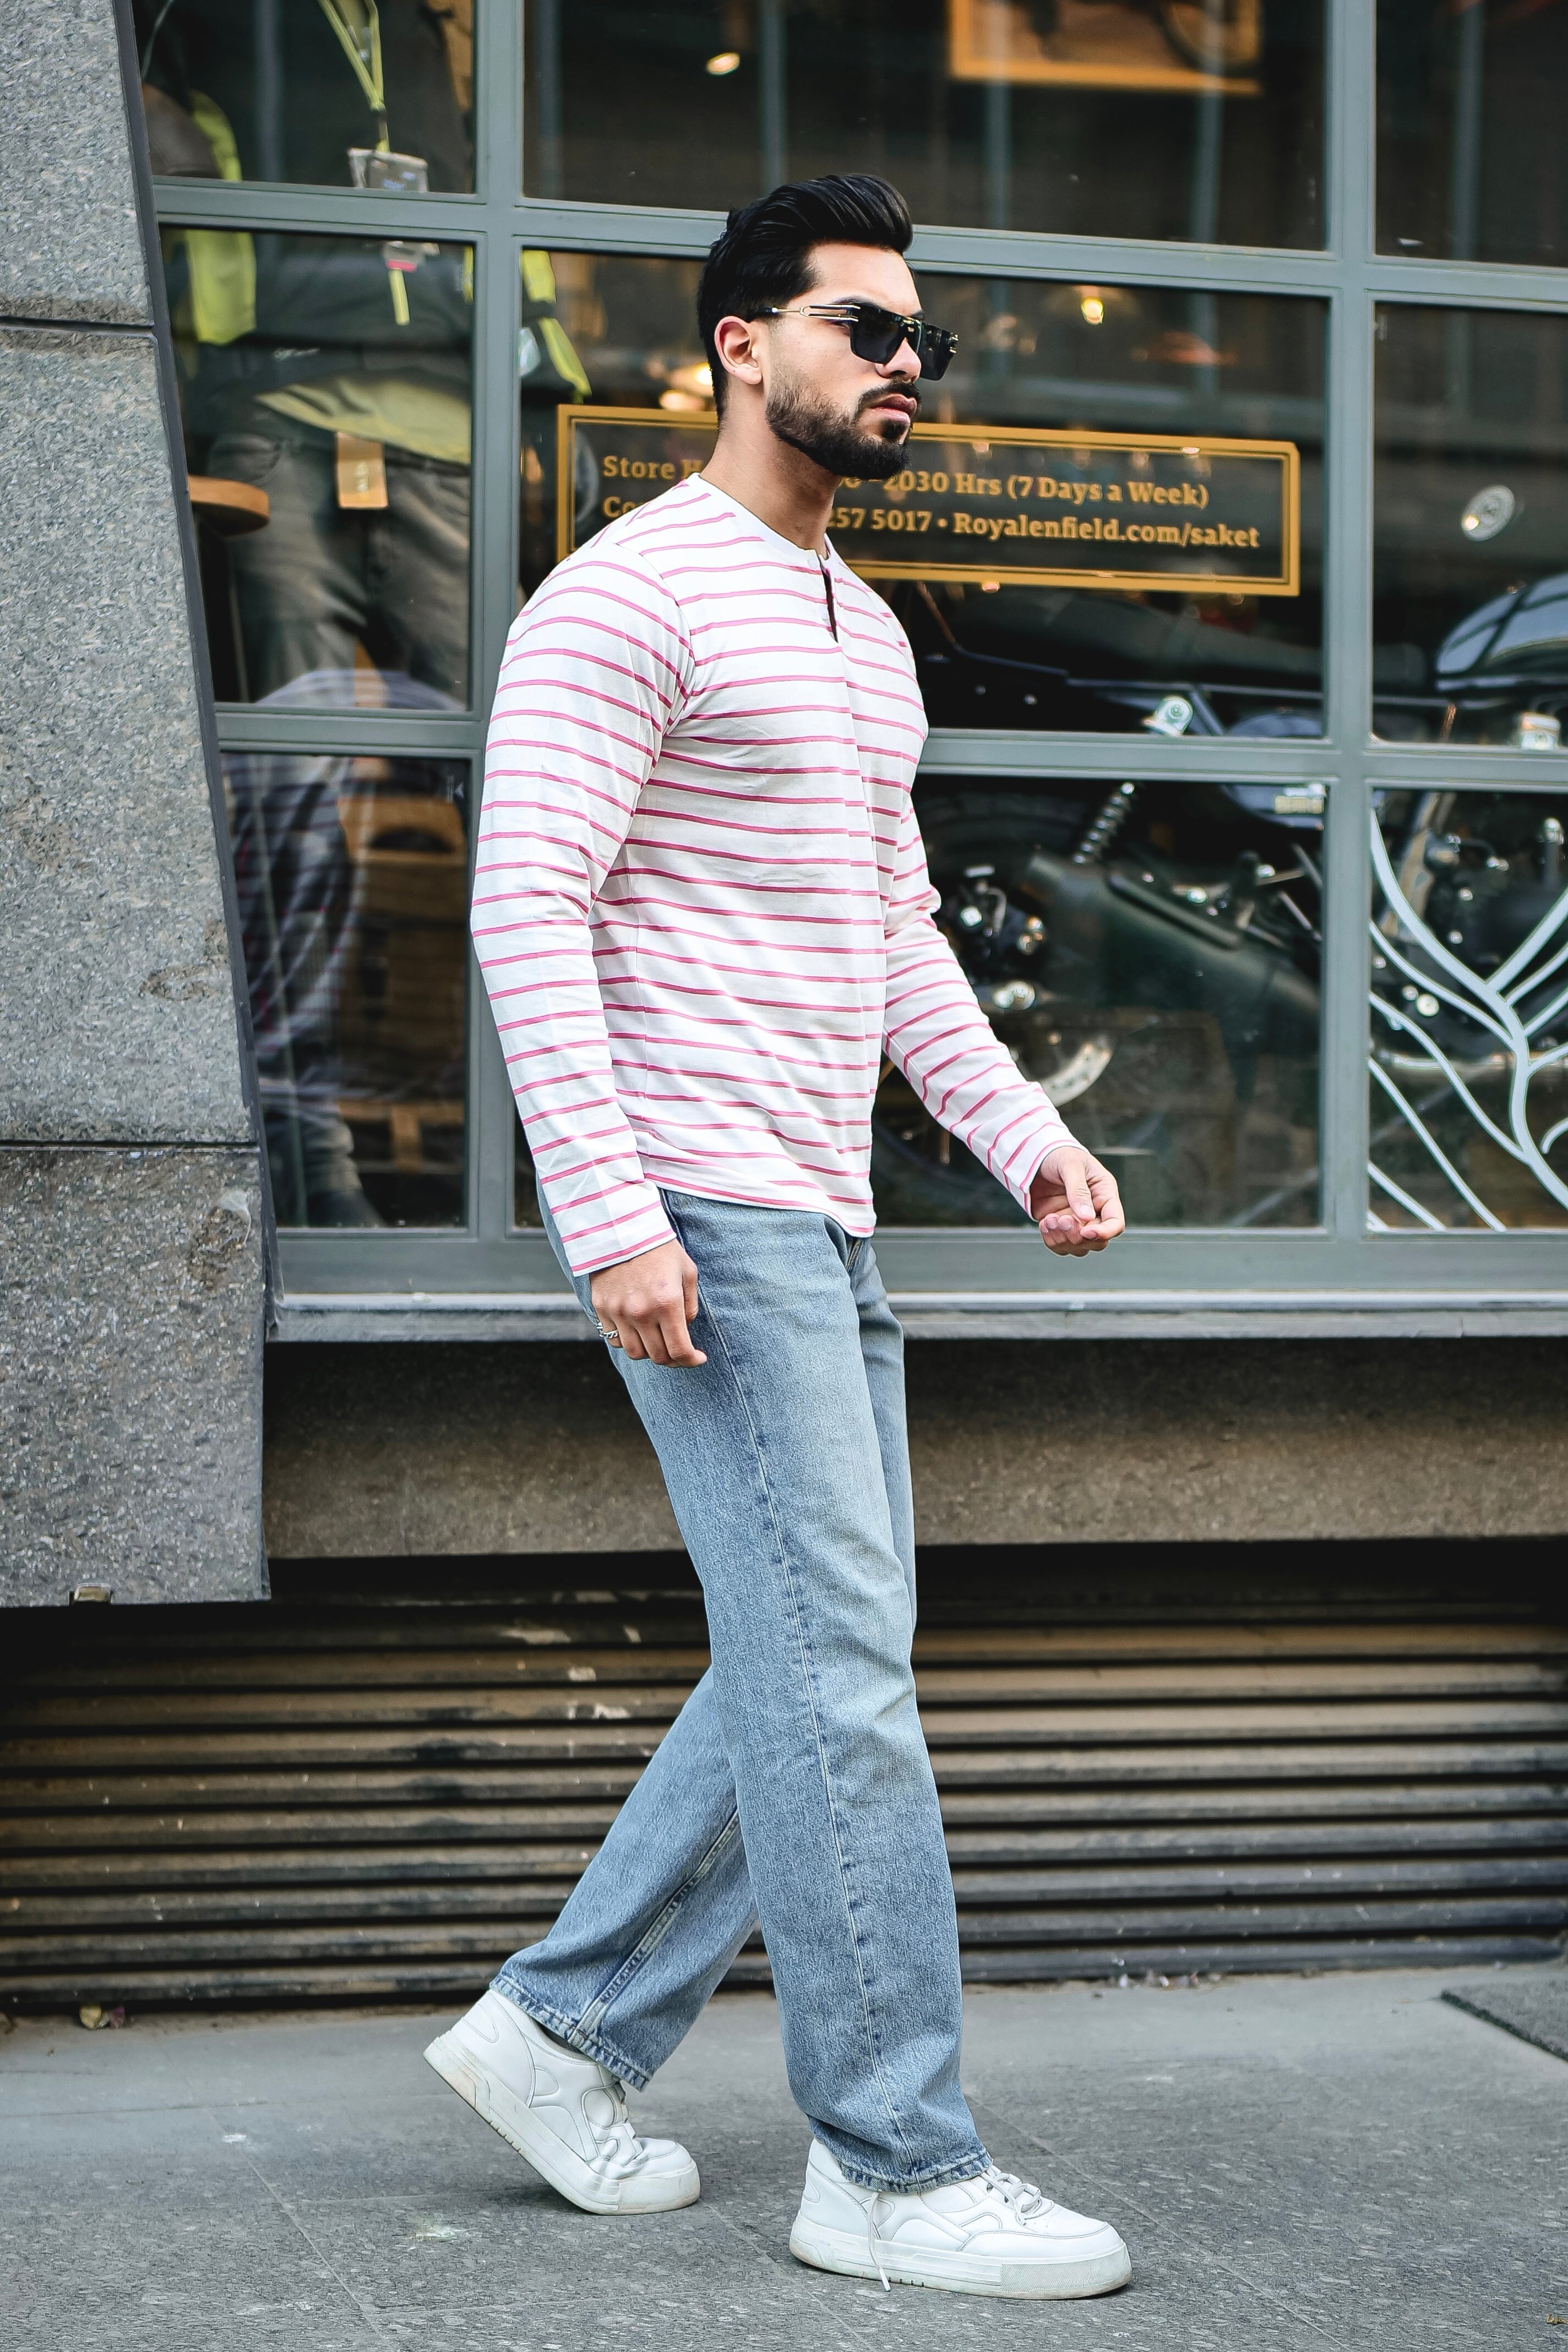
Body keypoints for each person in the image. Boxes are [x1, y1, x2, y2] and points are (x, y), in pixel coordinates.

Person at [424, 174, 1131, 2302]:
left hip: (822, 1213)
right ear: (742, 343)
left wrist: (1018, 1139)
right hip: (706, 1211)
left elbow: (892, 937)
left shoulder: (862, 630)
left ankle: (558, 2034)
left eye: (924, 339)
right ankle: (894, 2164)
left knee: (819, 1670)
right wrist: (612, 1219)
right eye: (863, 326)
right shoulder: (621, 599)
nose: (905, 364)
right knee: (845, 1690)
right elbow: (522, 902)